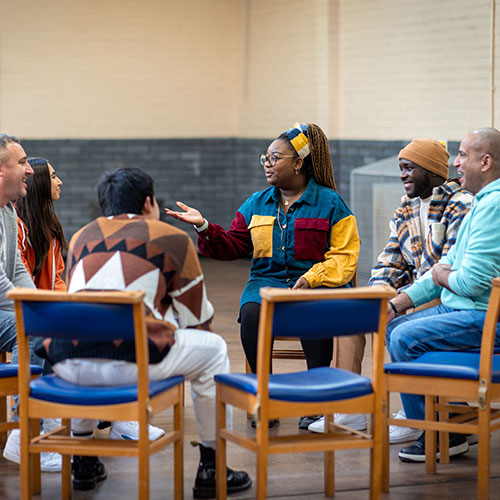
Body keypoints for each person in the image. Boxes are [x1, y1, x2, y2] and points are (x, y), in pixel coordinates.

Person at [35, 167, 252, 496]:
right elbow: (196, 320)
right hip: (132, 360)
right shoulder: (172, 238)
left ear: (103, 205)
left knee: (90, 347)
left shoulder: (80, 237)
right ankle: (212, 468)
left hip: (66, 364)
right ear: (149, 203)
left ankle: (83, 462)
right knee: (215, 350)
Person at [165, 122, 360, 430]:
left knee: (315, 311)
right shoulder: (256, 203)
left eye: (275, 158)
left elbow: (345, 257)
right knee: (252, 311)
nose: (267, 165)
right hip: (266, 284)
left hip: (311, 284)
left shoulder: (331, 203)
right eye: (265, 158)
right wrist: (203, 226)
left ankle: (316, 400)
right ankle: (262, 396)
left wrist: (313, 277)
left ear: (298, 163)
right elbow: (233, 245)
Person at [309, 138, 473, 435]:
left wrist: (400, 301)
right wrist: (375, 294)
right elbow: (391, 259)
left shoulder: (461, 205)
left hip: (445, 295)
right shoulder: (406, 208)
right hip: (412, 290)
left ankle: (418, 416)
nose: (402, 175)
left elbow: (448, 268)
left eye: (409, 168)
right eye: (401, 168)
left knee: (404, 319)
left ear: (432, 170)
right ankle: (351, 409)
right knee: (352, 313)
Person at [386, 127, 500, 463]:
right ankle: (450, 421)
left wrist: (443, 274)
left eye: (463, 155)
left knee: (405, 338)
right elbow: (443, 271)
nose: (457, 163)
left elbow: (470, 283)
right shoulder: (481, 203)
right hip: (462, 309)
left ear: (486, 161)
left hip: (483, 316)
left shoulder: (493, 207)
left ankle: (441, 432)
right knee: (394, 327)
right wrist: (396, 303)